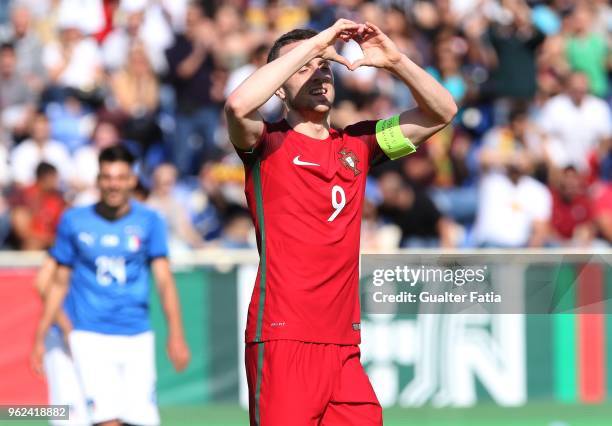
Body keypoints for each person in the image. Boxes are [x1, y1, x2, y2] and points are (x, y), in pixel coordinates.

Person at [224, 19, 456, 425]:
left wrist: (396, 61)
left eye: (325, 67)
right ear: (279, 86)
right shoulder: (265, 143)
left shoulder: (360, 145)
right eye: (304, 67)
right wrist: (317, 43)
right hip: (283, 335)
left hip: (344, 347)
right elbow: (238, 105)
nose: (319, 74)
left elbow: (442, 111)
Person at [31, 146, 191, 426]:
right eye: (106, 177)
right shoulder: (74, 220)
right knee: (106, 419)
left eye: (120, 177)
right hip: (90, 334)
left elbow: (164, 281)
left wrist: (176, 334)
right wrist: (42, 335)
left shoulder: (150, 221)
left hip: (137, 334)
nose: (113, 184)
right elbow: (55, 283)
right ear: (98, 180)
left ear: (132, 180)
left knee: (142, 419)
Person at [35, 257, 90, 426]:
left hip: (94, 335)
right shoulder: (67, 247)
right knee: (67, 411)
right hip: (63, 338)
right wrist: (65, 326)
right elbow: (41, 283)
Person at [9, 162, 65, 250]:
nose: (56, 181)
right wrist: (45, 239)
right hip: (33, 242)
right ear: (45, 177)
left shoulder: (58, 198)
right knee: (32, 244)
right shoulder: (26, 195)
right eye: (54, 177)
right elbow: (21, 230)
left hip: (53, 241)